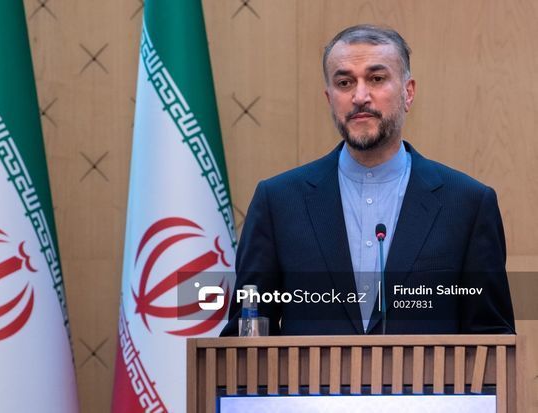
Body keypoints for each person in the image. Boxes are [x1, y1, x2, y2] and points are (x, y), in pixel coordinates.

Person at [221, 24, 515, 336]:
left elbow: (492, 338)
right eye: (344, 83)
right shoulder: (278, 202)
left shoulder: (467, 205)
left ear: (408, 92)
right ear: (330, 98)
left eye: (376, 79)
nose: (360, 97)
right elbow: (246, 334)